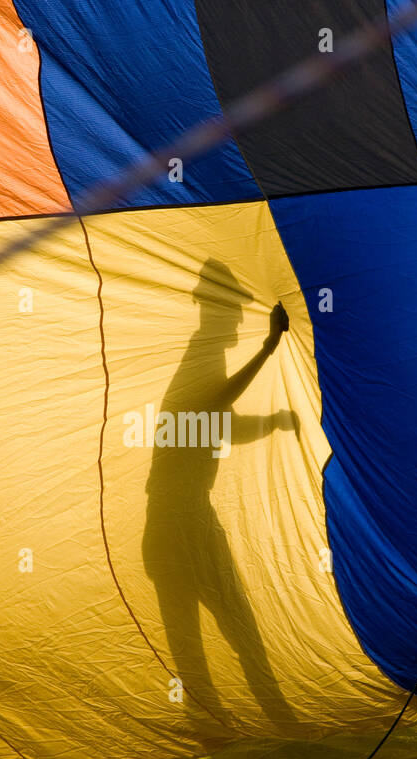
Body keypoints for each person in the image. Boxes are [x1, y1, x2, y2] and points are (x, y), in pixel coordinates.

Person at [142, 258, 298, 728]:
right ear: (215, 311)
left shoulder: (205, 358)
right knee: (226, 628)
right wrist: (269, 347)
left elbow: (213, 422)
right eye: (231, 310)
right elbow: (214, 403)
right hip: (179, 524)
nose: (236, 321)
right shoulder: (201, 355)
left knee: (206, 634)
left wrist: (270, 422)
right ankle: (256, 721)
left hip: (176, 522)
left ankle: (233, 722)